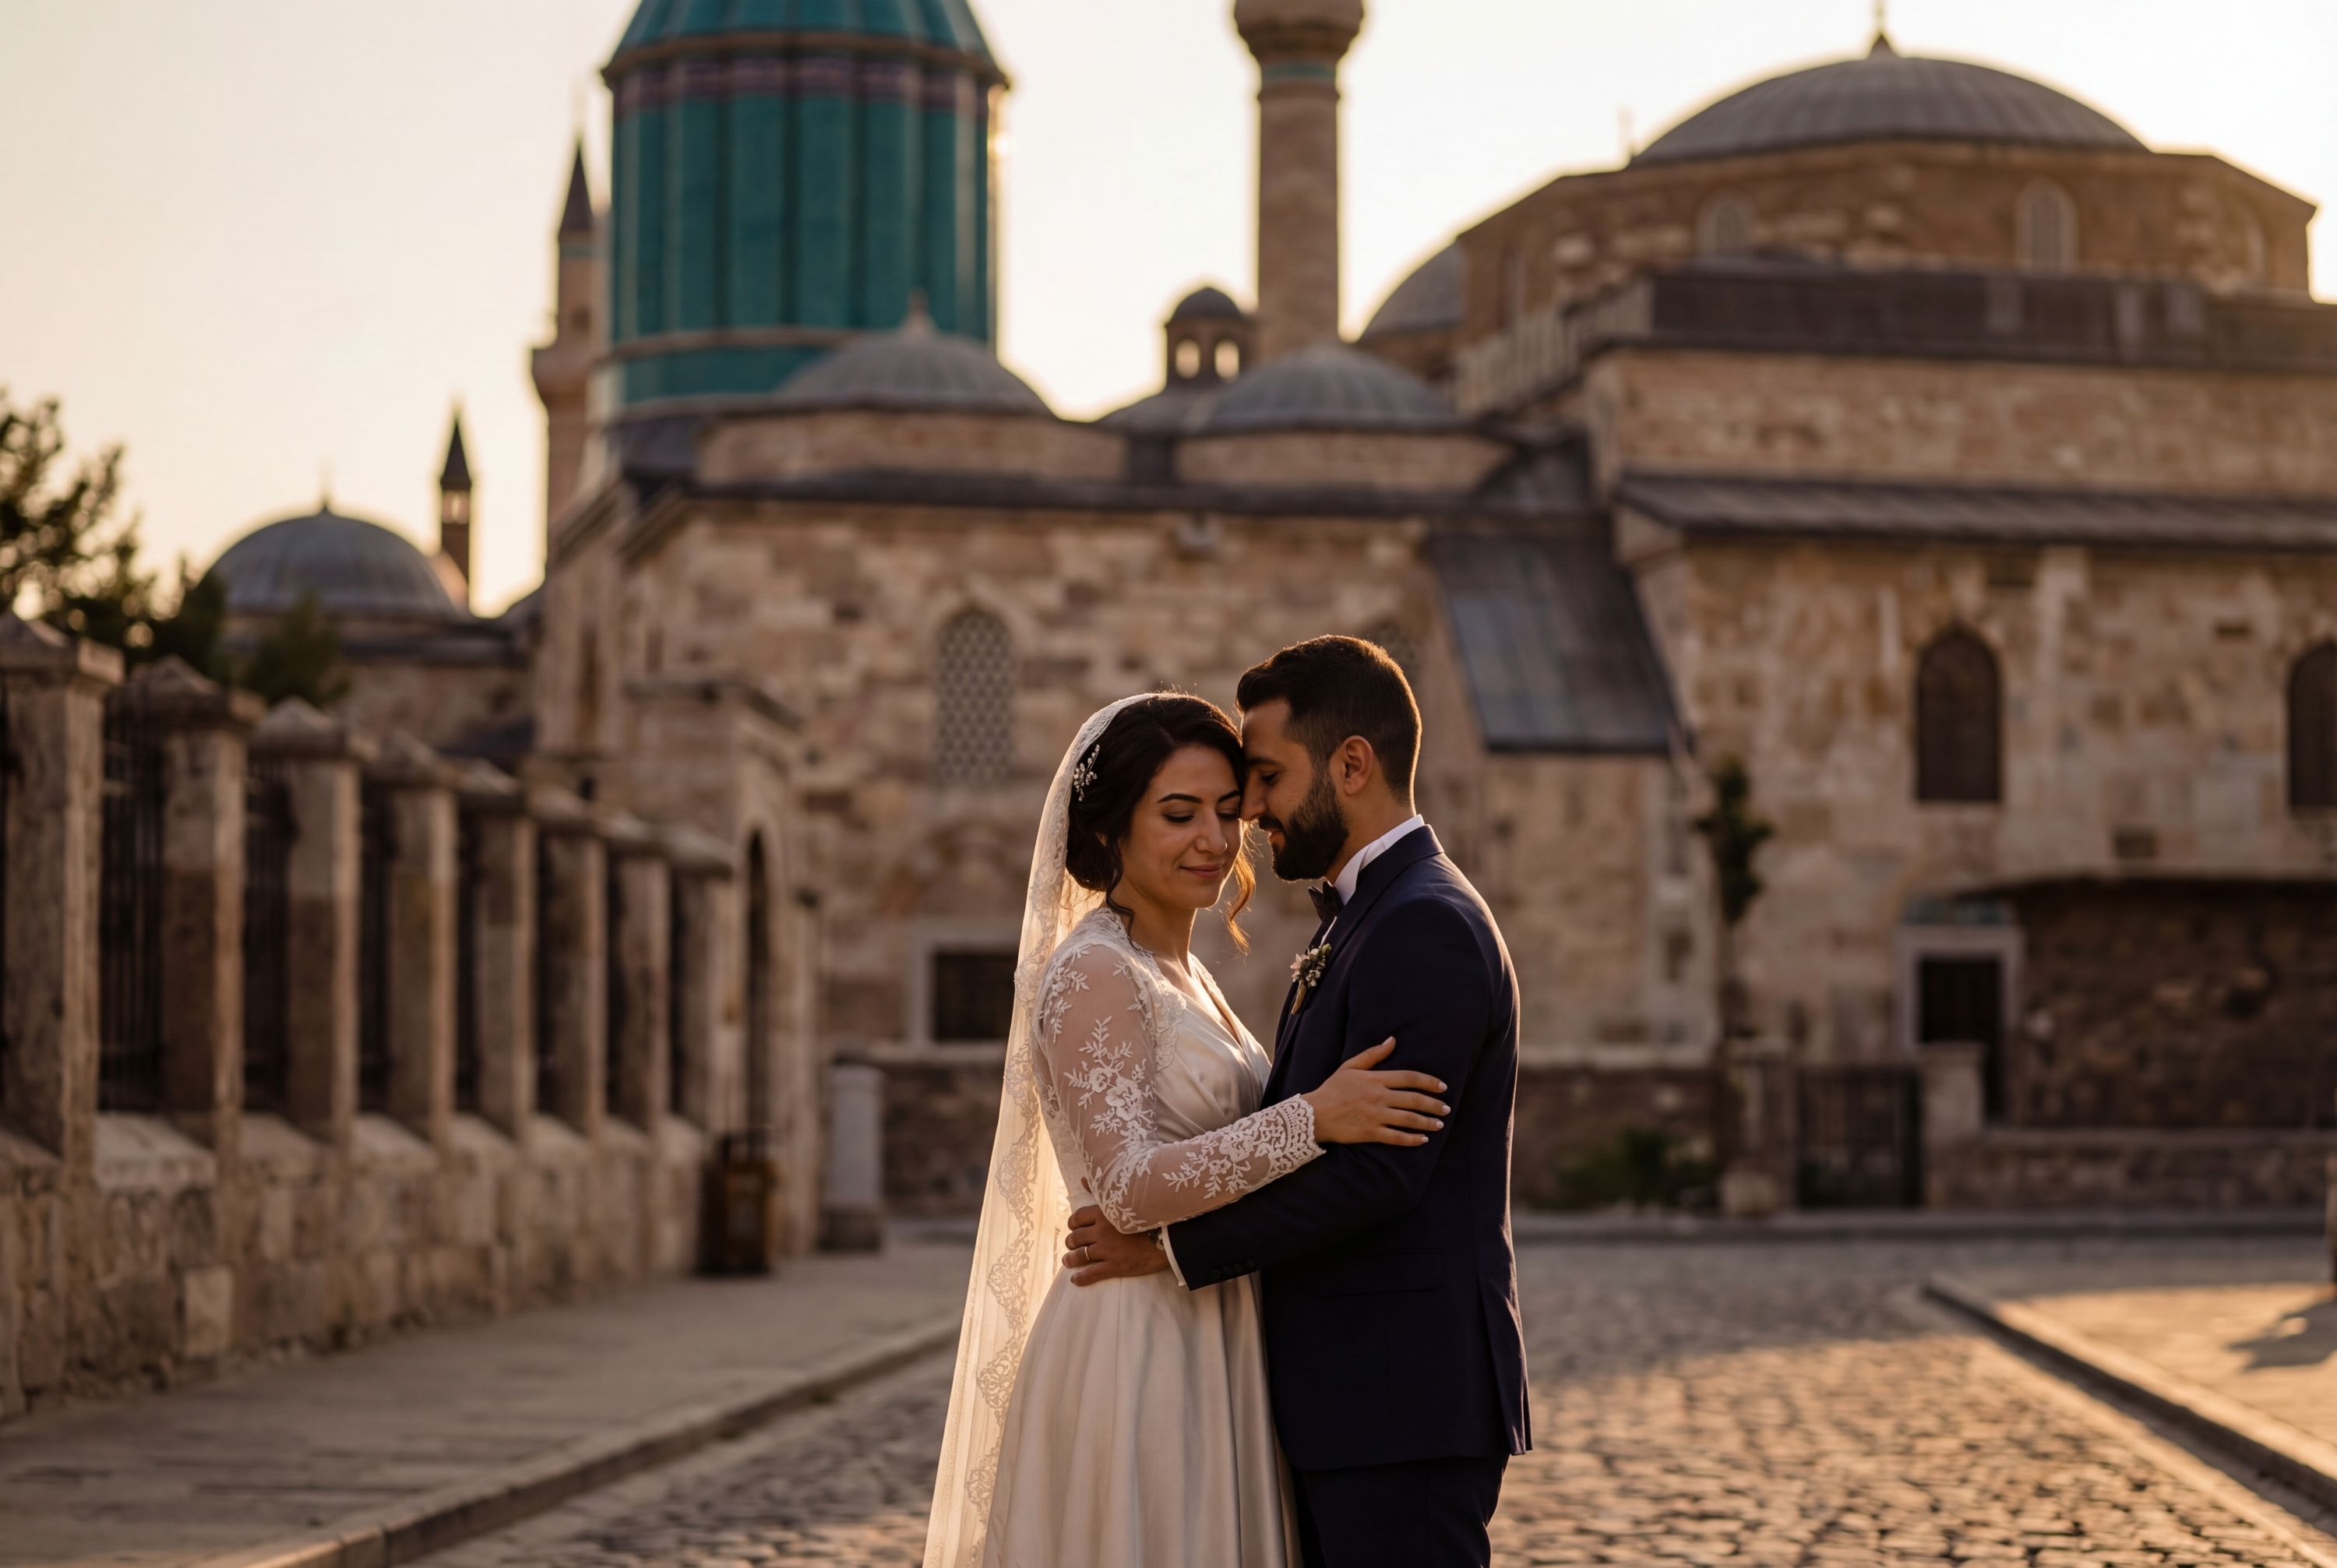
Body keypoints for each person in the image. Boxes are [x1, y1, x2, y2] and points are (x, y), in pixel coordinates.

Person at [923, 689, 1451, 1568]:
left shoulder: (1183, 971)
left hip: (1212, 1324)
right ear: (1109, 832)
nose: (1214, 839)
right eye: (1179, 814)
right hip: (1135, 1344)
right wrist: (1312, 1118)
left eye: (1227, 811)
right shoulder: (1095, 971)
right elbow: (1127, 1187)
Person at [1061, 637, 1531, 1568]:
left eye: (1264, 780)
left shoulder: (1422, 923)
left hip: (1397, 1394)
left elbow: (1380, 1175)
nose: (1249, 813)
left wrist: (1172, 1252)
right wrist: (1308, 1117)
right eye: (1192, 810)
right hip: (1335, 1393)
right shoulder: (1368, 915)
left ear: (1351, 765)